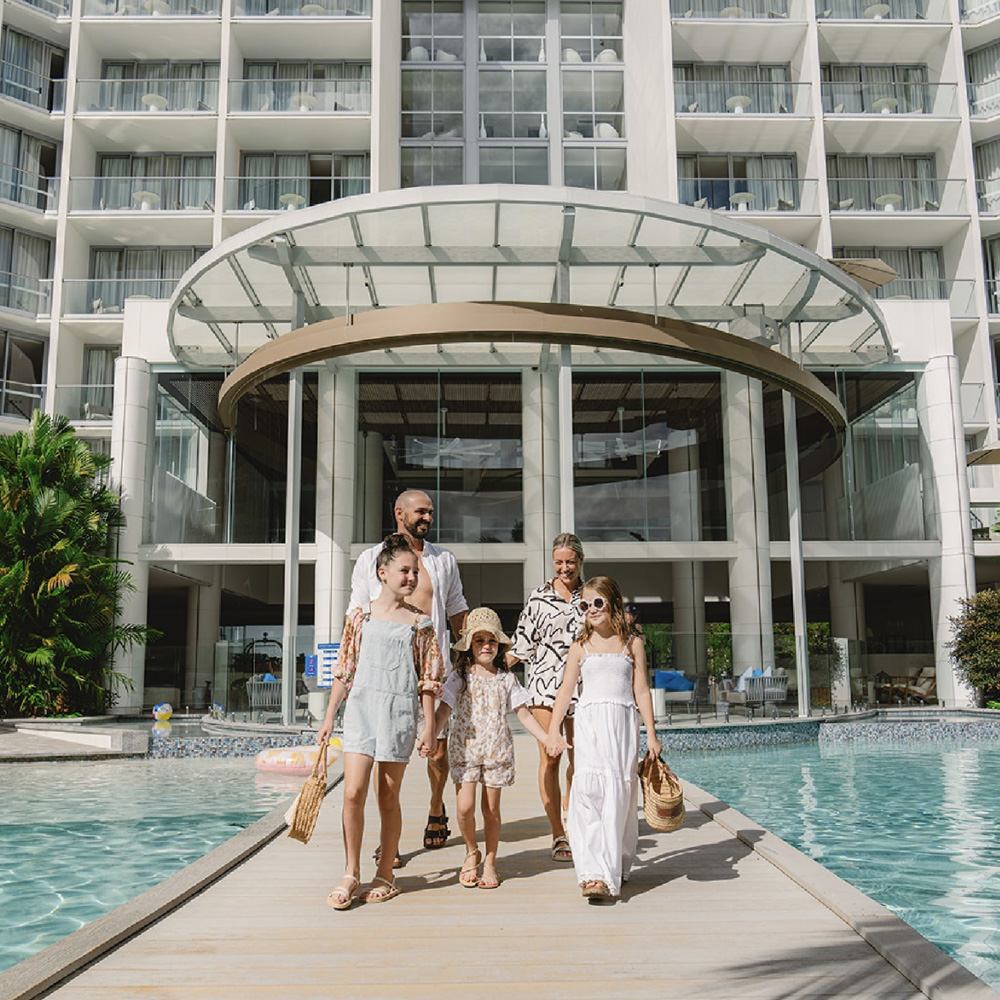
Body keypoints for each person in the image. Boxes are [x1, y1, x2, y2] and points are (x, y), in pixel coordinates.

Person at [317, 534, 444, 909]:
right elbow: (344, 669)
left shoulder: (421, 624)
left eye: (415, 571)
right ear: (382, 572)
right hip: (360, 711)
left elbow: (428, 681)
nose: (411, 577)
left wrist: (428, 726)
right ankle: (351, 871)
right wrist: (328, 718)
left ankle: (386, 873)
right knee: (353, 792)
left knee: (387, 794)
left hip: (399, 714)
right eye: (404, 570)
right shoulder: (360, 615)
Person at [349, 489, 469, 858]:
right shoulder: (371, 560)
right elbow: (357, 616)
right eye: (421, 512)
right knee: (387, 761)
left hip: (434, 672)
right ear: (399, 512)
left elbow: (457, 611)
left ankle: (436, 806)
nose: (428, 519)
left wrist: (468, 661)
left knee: (436, 753)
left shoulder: (443, 560)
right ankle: (390, 843)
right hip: (387, 677)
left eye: (431, 513)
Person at [546, 575, 662, 901]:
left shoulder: (632, 643)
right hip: (590, 723)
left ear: (611, 601)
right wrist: (554, 729)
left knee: (621, 795)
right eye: (585, 605)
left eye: (597, 602)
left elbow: (641, 689)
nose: (591, 610)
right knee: (588, 793)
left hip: (622, 723)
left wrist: (651, 734)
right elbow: (566, 690)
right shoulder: (579, 647)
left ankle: (617, 863)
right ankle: (592, 873)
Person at [427, 607, 551, 890]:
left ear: (499, 645)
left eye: (491, 641)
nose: (486, 646)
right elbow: (444, 710)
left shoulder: (506, 678)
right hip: (466, 750)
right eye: (480, 640)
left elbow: (523, 714)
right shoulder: (460, 677)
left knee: (491, 809)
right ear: (470, 645)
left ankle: (491, 861)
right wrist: (431, 735)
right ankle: (472, 851)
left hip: (496, 751)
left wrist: (546, 739)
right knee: (464, 807)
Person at [506, 532, 585, 864]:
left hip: (584, 687)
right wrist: (484, 667)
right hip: (543, 687)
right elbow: (521, 644)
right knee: (551, 757)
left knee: (581, 759)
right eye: (559, 562)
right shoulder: (538, 598)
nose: (564, 568)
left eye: (570, 561)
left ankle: (574, 808)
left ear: (581, 561)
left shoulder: (592, 595)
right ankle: (557, 833)